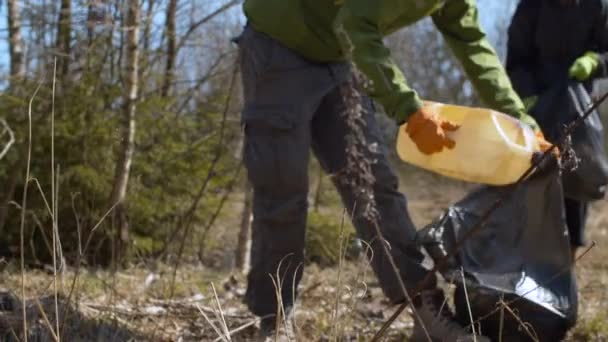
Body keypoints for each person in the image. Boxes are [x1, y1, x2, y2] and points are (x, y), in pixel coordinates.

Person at [237, 0, 546, 340]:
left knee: (373, 185)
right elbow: (355, 24)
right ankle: (273, 319)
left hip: (340, 57)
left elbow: (471, 42)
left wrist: (521, 122)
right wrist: (410, 110)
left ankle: (424, 308)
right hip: (279, 43)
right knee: (283, 188)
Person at [507, 0, 608, 260]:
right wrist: (527, 96)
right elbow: (516, 60)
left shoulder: (596, 6)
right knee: (535, 178)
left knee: (576, 176)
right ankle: (528, 259)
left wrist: (595, 61)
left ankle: (566, 267)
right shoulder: (531, 7)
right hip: (538, 106)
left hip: (579, 109)